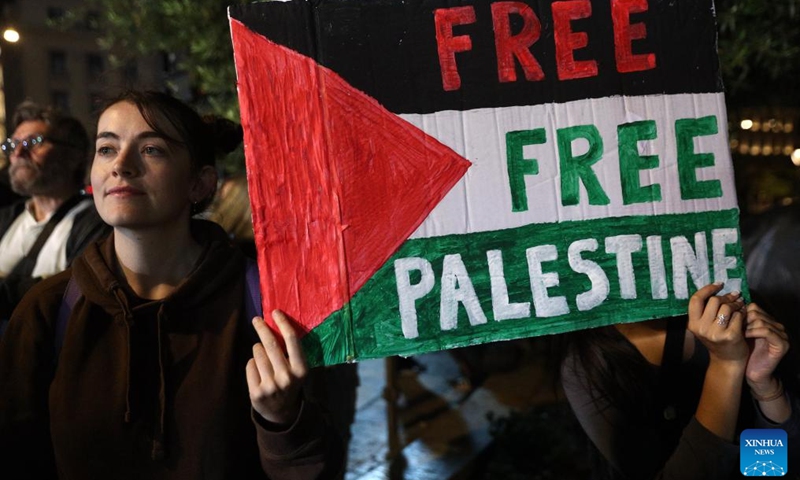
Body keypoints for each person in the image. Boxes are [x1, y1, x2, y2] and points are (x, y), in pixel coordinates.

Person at [0, 91, 344, 479]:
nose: (121, 166)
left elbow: (316, 468)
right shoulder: (46, 311)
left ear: (199, 184)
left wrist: (282, 421)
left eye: (151, 149)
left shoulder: (270, 307)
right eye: (107, 148)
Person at [559, 283, 799, 479]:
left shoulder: (735, 307)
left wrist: (763, 385)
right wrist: (726, 365)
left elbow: (776, 464)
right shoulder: (589, 363)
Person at [0, 101, 109, 323]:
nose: (19, 152)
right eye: (13, 145)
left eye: (34, 142)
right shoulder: (6, 218)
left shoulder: (97, 221)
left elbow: (72, 296)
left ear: (74, 156)